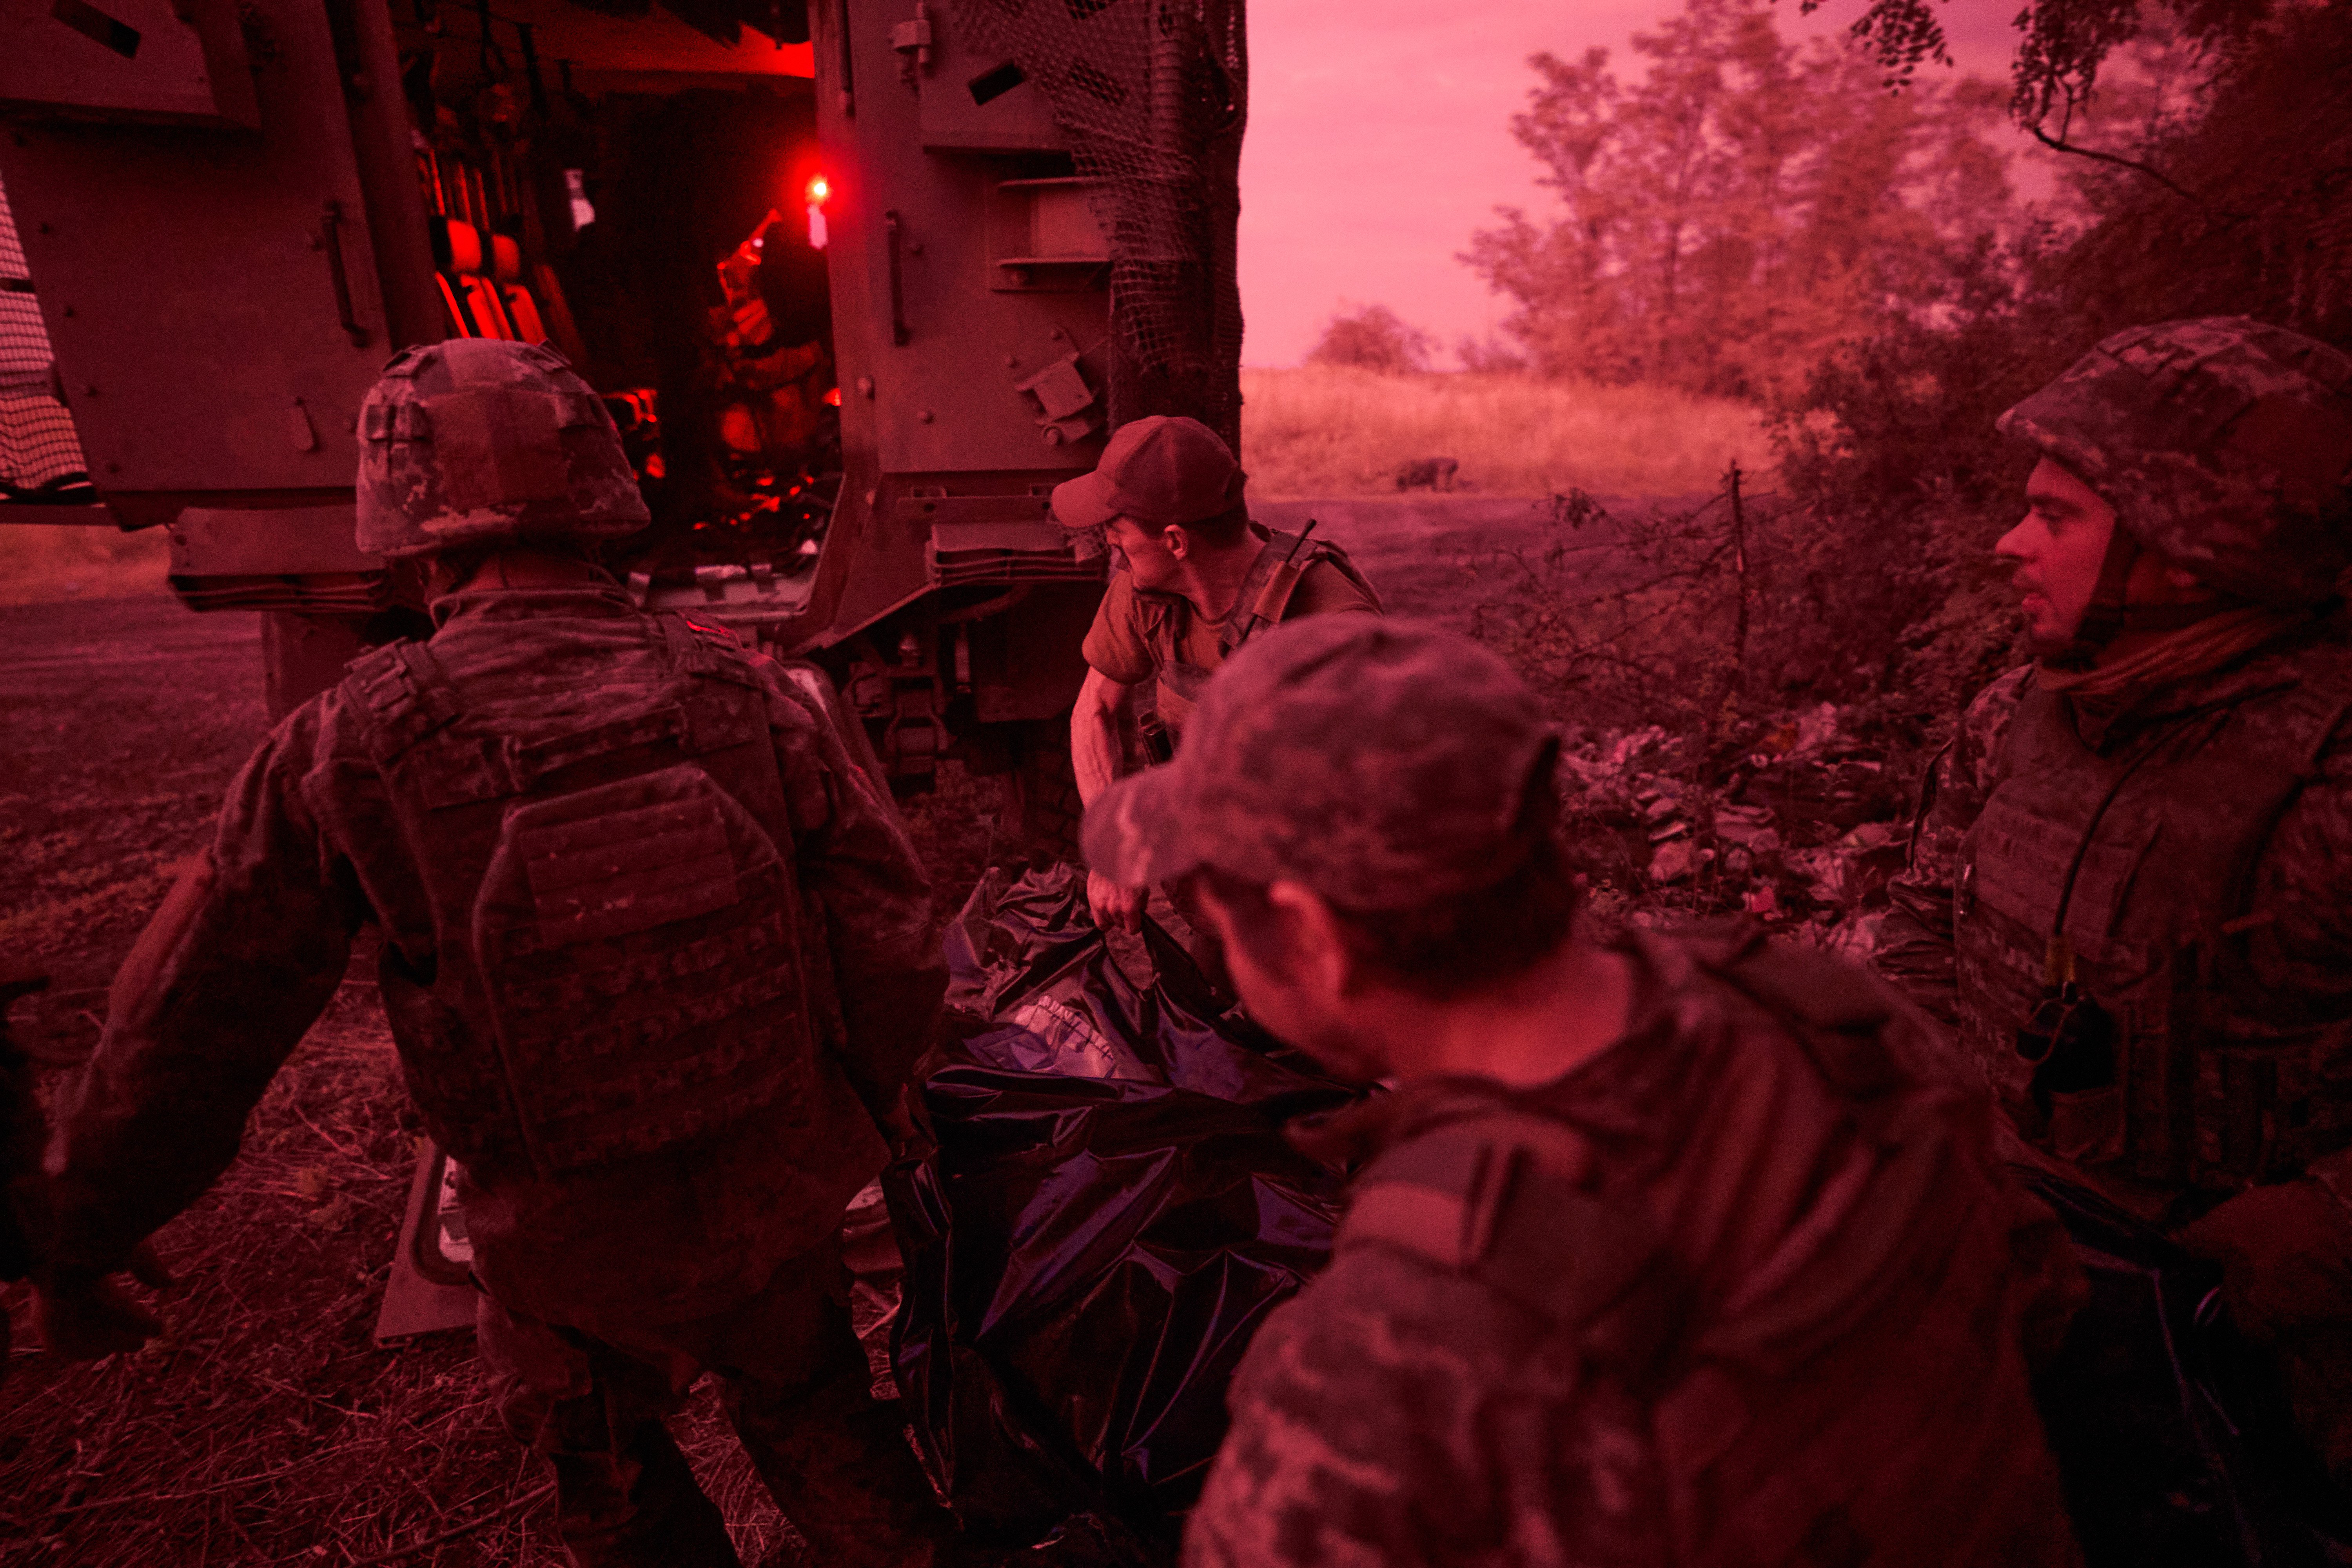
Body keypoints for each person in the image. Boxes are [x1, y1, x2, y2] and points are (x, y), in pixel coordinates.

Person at [28, 339, 955, 1568]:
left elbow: (186, 1031)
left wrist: (82, 1228)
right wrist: (869, 1128)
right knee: (826, 1425)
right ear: (601, 491)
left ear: (401, 517)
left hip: (563, 1248)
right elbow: (895, 946)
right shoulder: (751, 694)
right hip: (770, 1200)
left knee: (615, 1487)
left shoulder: (346, 746)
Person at [1082, 616, 2085, 1567]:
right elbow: (2044, 1302)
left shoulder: (1379, 1367)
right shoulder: (1834, 1019)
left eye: (1216, 905)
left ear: (1311, 935)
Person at [1875, 316, 2352, 1494]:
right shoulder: (2018, 716)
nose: (2011, 543)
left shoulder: (2331, 775)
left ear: (2188, 551)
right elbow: (1923, 933)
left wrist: (2325, 1217)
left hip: (2273, 1366)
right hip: (2030, 1274)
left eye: (2056, 516)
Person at [1054, 414, 1380, 937]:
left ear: (1175, 541)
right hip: (1218, 892)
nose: (1112, 548)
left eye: (1120, 537)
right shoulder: (1145, 592)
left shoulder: (1332, 628)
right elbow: (1093, 709)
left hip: (1319, 910)